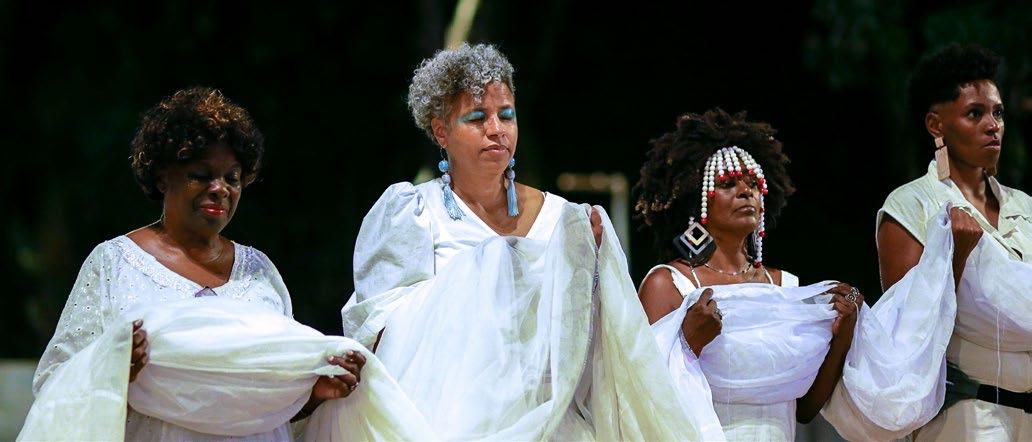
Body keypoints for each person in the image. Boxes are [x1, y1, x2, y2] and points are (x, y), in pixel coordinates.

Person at [340, 43, 701, 440]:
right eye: (477, 117)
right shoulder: (413, 213)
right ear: (441, 131)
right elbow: (380, 334)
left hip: (553, 418)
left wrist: (590, 268)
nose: (497, 129)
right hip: (452, 420)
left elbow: (606, 335)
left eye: (506, 115)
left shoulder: (564, 218)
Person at [31, 87, 364, 440]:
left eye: (232, 178)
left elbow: (270, 396)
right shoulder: (115, 262)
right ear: (163, 176)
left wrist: (313, 396)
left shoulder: (260, 272)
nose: (220, 188)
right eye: (201, 175)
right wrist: (112, 372)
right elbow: (55, 383)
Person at [635, 108, 864, 441]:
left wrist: (842, 335)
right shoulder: (669, 284)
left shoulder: (786, 286)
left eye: (754, 184)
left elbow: (803, 408)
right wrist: (688, 344)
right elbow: (640, 394)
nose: (746, 192)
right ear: (697, 202)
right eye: (728, 184)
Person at [870, 43, 1032, 441]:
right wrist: (955, 259)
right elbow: (906, 330)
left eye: (998, 113)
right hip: (966, 414)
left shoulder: (1025, 207)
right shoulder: (911, 204)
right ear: (936, 125)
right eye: (975, 114)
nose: (993, 125)